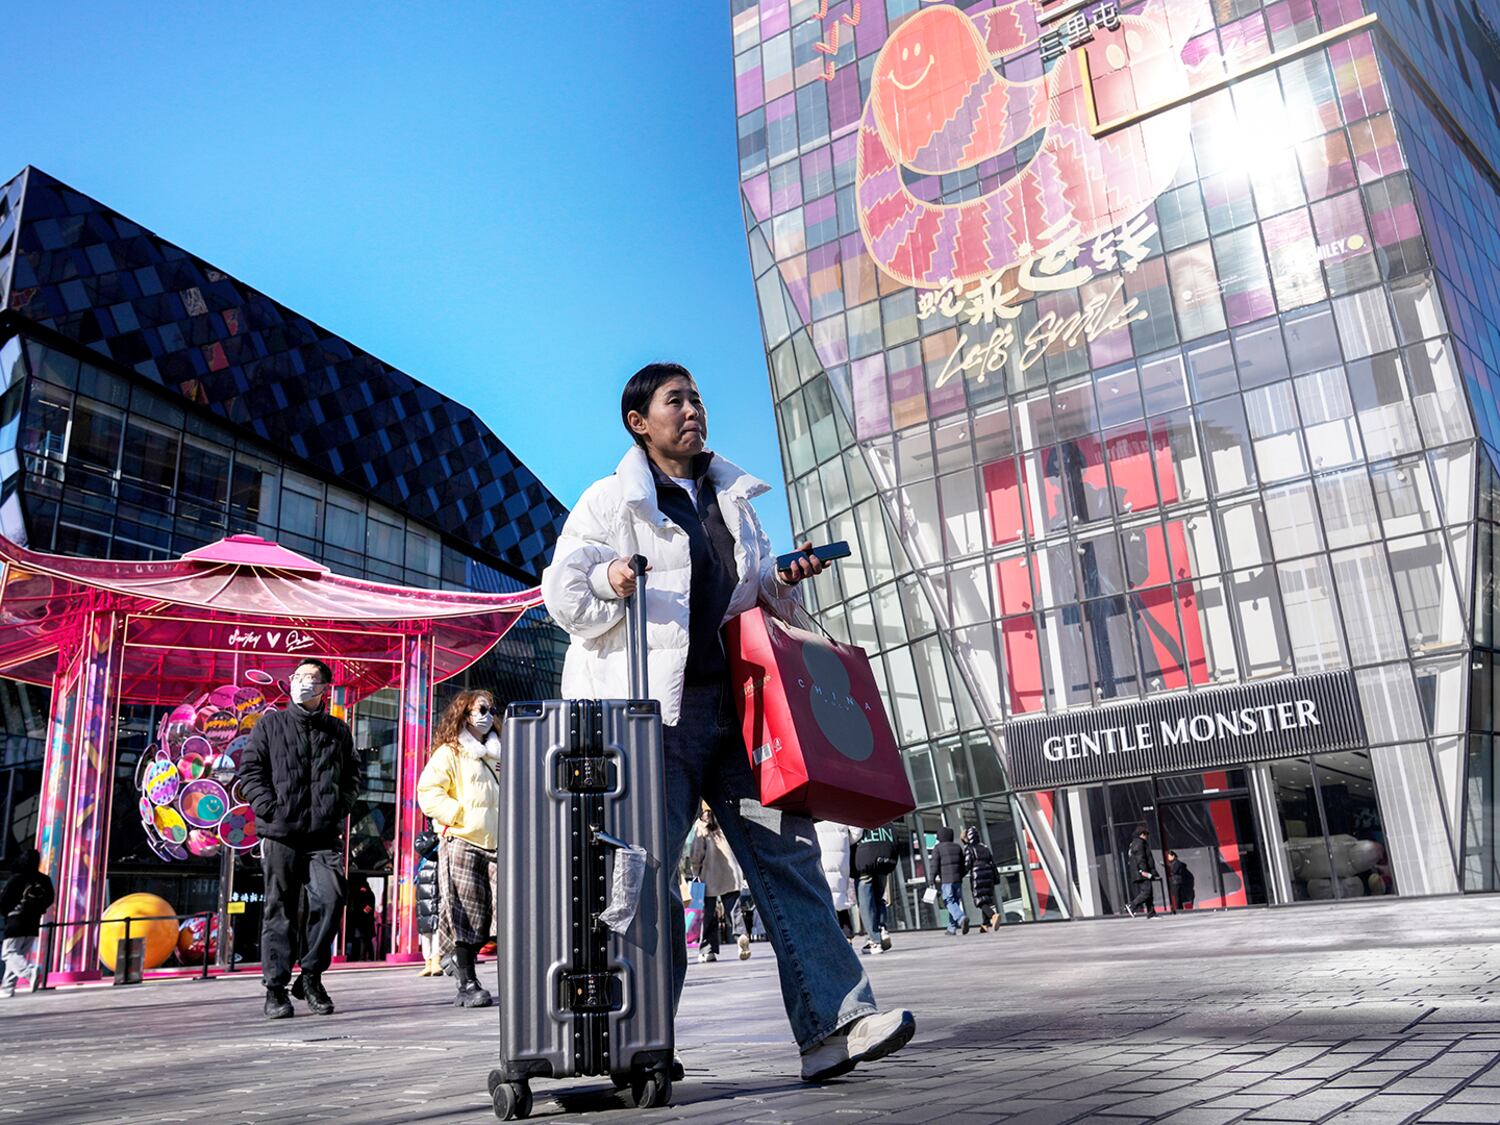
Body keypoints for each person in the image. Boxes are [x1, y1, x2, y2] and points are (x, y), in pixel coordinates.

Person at [541, 362, 915, 1083]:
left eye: (697, 398)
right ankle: (639, 1041)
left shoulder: (731, 501)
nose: (692, 410)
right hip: (654, 719)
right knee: (641, 878)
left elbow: (746, 595)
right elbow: (564, 594)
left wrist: (779, 579)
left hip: (737, 717)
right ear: (638, 422)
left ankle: (832, 1024)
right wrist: (608, 579)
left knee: (789, 857)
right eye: (674, 400)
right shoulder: (610, 502)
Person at [239, 657, 359, 1020]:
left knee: (332, 898)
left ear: (324, 688)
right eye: (298, 676)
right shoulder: (270, 724)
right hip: (281, 832)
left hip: (323, 835)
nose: (302, 682)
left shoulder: (338, 731)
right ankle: (275, 988)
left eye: (311, 678)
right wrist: (268, 807)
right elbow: (250, 769)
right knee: (280, 910)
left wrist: (340, 806)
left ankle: (310, 976)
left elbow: (353, 774)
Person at [417, 690, 501, 1008]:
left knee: (504, 916)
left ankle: (511, 981)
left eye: (491, 709)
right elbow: (428, 791)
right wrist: (459, 816)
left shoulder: (501, 753)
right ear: (464, 713)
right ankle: (467, 982)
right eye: (480, 708)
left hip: (499, 844)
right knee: (465, 913)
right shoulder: (450, 752)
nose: (486, 714)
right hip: (463, 842)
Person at [690, 807, 746, 962]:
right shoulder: (727, 818)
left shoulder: (702, 825)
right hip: (732, 875)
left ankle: (708, 951)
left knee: (709, 915)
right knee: (734, 910)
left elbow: (696, 853)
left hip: (710, 876)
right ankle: (741, 936)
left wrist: (695, 871)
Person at [1, 848, 54, 998]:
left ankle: (29, 972)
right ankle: (8, 987)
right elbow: (50, 898)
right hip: (33, 921)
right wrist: (39, 908)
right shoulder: (44, 879)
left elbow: (4, 900)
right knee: (18, 955)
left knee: (9, 953)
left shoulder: (16, 878)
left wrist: (8, 912)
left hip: (15, 921)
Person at [852, 822, 899, 954]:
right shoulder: (885, 820)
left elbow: (854, 836)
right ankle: (882, 928)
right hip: (883, 861)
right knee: (879, 898)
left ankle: (874, 941)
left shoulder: (856, 816)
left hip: (864, 862)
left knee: (866, 903)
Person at [816, 821, 856, 940]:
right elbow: (856, 830)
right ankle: (846, 932)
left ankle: (829, 935)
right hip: (840, 848)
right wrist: (845, 841)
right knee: (839, 892)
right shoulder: (844, 802)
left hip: (818, 847)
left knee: (823, 893)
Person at [928, 826, 968, 935]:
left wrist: (931, 879)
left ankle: (961, 918)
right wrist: (961, 875)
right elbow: (963, 865)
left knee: (949, 901)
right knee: (954, 902)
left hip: (946, 880)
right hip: (958, 881)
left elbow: (934, 866)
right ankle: (951, 928)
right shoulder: (957, 847)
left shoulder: (938, 848)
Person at [415, 824, 443, 976]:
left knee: (437, 927)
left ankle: (437, 961)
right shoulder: (423, 837)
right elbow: (422, 849)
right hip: (424, 889)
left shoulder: (446, 838)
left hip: (439, 885)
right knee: (425, 928)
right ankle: (428, 962)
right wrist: (436, 838)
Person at [962, 827, 1000, 932]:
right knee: (985, 899)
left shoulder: (969, 848)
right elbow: (992, 863)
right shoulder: (985, 847)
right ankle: (985, 925)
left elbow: (967, 864)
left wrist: (961, 873)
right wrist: (996, 877)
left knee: (979, 900)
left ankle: (993, 915)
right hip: (988, 874)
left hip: (977, 874)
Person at [1126, 824, 1159, 918]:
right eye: (1146, 834)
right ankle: (1132, 906)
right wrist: (1143, 872)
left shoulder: (1136, 843)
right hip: (1142, 872)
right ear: (1142, 834)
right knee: (1146, 892)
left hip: (1141, 872)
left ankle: (1151, 912)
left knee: (1149, 892)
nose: (1147, 837)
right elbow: (1141, 859)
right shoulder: (1139, 843)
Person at [345, 876, 376, 961]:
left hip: (362, 922)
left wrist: (358, 913)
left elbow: (368, 908)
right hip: (362, 922)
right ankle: (367, 957)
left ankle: (362, 958)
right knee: (364, 940)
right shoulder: (367, 894)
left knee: (363, 940)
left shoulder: (366, 894)